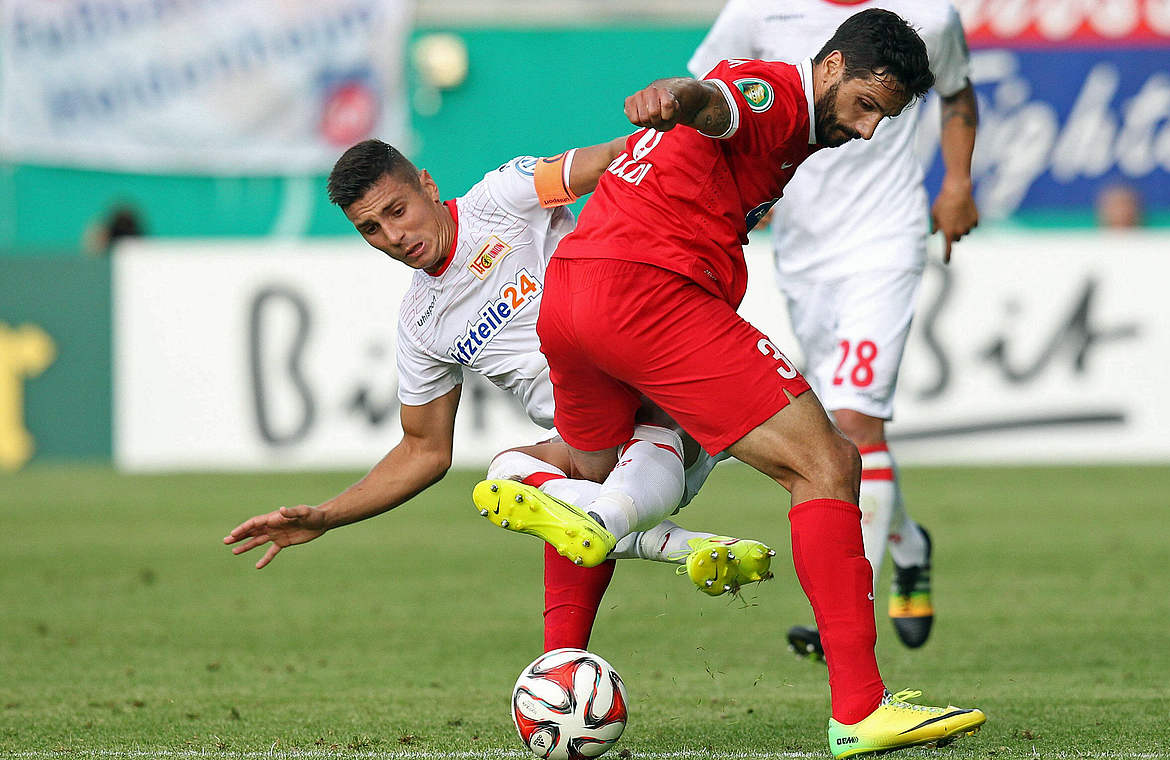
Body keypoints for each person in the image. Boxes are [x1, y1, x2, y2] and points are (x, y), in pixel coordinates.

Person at [470, 9, 985, 757]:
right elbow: (718, 101)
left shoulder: (805, 128)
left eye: (888, 117)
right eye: (866, 105)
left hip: (573, 294)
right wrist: (675, 99)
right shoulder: (776, 92)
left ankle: (558, 676)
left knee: (596, 473)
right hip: (653, 295)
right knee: (828, 462)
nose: (870, 131)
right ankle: (862, 708)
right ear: (832, 67)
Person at [222, 138, 776, 655]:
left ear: (428, 186)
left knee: (562, 495)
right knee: (509, 476)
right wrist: (325, 516)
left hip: (666, 401)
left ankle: (638, 543)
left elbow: (618, 158)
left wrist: (729, 196)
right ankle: (651, 571)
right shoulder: (422, 324)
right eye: (370, 229)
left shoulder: (502, 198)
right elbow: (424, 451)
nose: (393, 236)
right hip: (599, 450)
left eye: (397, 211)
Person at [688, 0, 980, 658]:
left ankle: (846, 616)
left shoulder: (930, 17)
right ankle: (907, 542)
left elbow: (959, 95)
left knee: (853, 423)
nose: (872, 126)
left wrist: (956, 182)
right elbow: (712, 98)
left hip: (886, 239)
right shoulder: (758, 9)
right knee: (843, 431)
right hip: (801, 248)